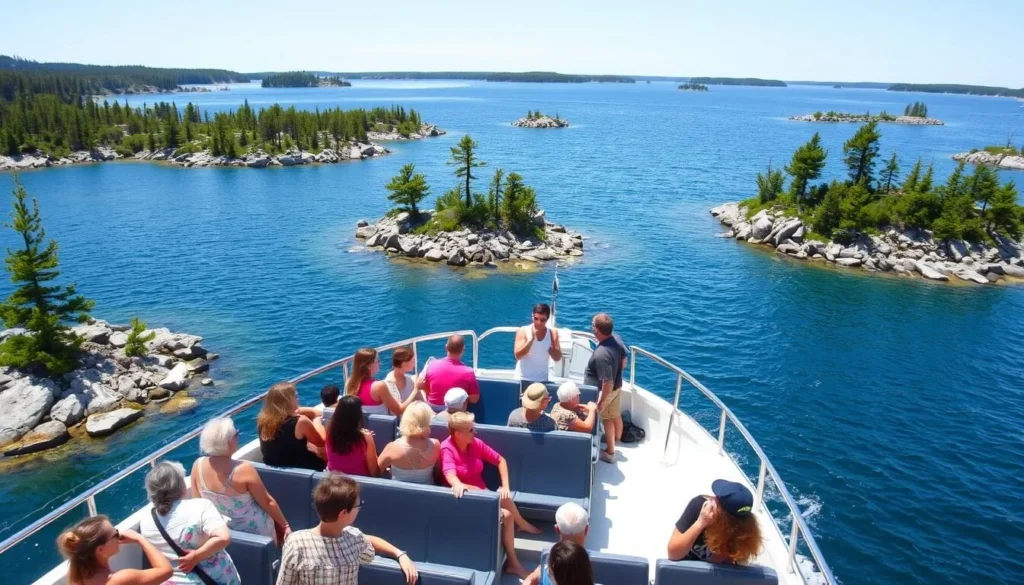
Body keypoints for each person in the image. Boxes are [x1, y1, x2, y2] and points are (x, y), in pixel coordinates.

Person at [441, 412, 540, 578]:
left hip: (483, 494)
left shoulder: (475, 443)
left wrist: (505, 486)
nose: (475, 432)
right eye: (471, 430)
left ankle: (522, 524)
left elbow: (500, 460)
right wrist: (457, 484)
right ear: (458, 434)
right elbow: (449, 474)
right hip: (464, 498)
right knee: (507, 515)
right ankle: (514, 564)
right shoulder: (447, 448)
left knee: (504, 497)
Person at [276, 474, 417, 585]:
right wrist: (399, 554)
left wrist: (399, 554)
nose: (360, 508)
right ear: (343, 513)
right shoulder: (353, 539)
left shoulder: (295, 543)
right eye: (358, 505)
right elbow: (369, 542)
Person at [190, 417, 291, 544]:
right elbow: (267, 501)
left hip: (224, 533)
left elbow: (198, 504)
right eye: (236, 434)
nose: (239, 435)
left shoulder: (197, 466)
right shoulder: (243, 469)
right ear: (228, 442)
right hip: (257, 533)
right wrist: (285, 525)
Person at [138, 461, 240, 585]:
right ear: (182, 487)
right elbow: (223, 538)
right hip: (216, 580)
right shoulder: (201, 506)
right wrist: (196, 557)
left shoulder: (146, 521)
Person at [667, 479, 763, 565]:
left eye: (718, 498)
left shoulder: (744, 532)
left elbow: (732, 565)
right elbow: (673, 554)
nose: (713, 499)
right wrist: (700, 523)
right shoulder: (698, 506)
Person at [57, 515, 173, 585]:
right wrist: (140, 538)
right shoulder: (120, 579)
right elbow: (167, 571)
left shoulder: (78, 574)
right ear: (101, 550)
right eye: (115, 534)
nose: (119, 534)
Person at [583, 313, 627, 463]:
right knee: (614, 415)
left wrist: (601, 403)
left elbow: (607, 382)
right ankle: (616, 441)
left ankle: (609, 452)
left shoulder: (602, 354)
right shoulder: (616, 339)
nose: (591, 327)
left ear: (597, 329)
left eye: (592, 325)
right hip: (617, 387)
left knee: (604, 418)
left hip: (605, 392)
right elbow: (624, 362)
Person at [258, 382, 326, 471]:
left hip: (274, 470)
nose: (298, 398)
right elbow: (321, 442)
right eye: (296, 396)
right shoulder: (301, 421)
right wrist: (317, 420)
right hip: (303, 470)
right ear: (289, 400)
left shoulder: (262, 422)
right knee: (325, 448)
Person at [523, 502, 589, 585]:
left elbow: (533, 578)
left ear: (557, 530)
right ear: (587, 529)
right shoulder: (592, 562)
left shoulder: (547, 555)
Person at [378, 401, 441, 484]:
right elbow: (438, 474)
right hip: (427, 491)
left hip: (397, 491)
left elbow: (376, 472)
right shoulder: (436, 445)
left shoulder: (392, 448)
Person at [346, 347, 416, 416]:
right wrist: (416, 389)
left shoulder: (349, 383)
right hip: (382, 423)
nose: (380, 363)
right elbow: (399, 410)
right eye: (377, 361)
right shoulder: (378, 386)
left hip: (362, 422)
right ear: (369, 366)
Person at [419, 335, 480, 408]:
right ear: (463, 349)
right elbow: (474, 399)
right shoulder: (468, 372)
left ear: (446, 347)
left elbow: (423, 386)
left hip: (432, 409)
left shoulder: (431, 365)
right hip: (454, 411)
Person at [325, 395, 379, 477]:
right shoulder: (366, 438)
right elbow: (374, 472)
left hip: (333, 479)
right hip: (357, 482)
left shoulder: (330, 432)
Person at [513, 303, 562, 385]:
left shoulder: (552, 333)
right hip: (522, 379)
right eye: (536, 319)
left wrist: (552, 348)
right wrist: (530, 341)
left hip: (542, 380)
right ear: (532, 316)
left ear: (547, 319)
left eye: (542, 320)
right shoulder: (523, 331)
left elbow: (557, 358)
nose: (538, 322)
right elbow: (518, 356)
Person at [384, 346, 423, 411]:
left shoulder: (409, 380)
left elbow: (421, 401)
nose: (414, 364)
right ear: (404, 363)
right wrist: (416, 389)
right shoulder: (390, 384)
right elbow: (399, 410)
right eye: (413, 361)